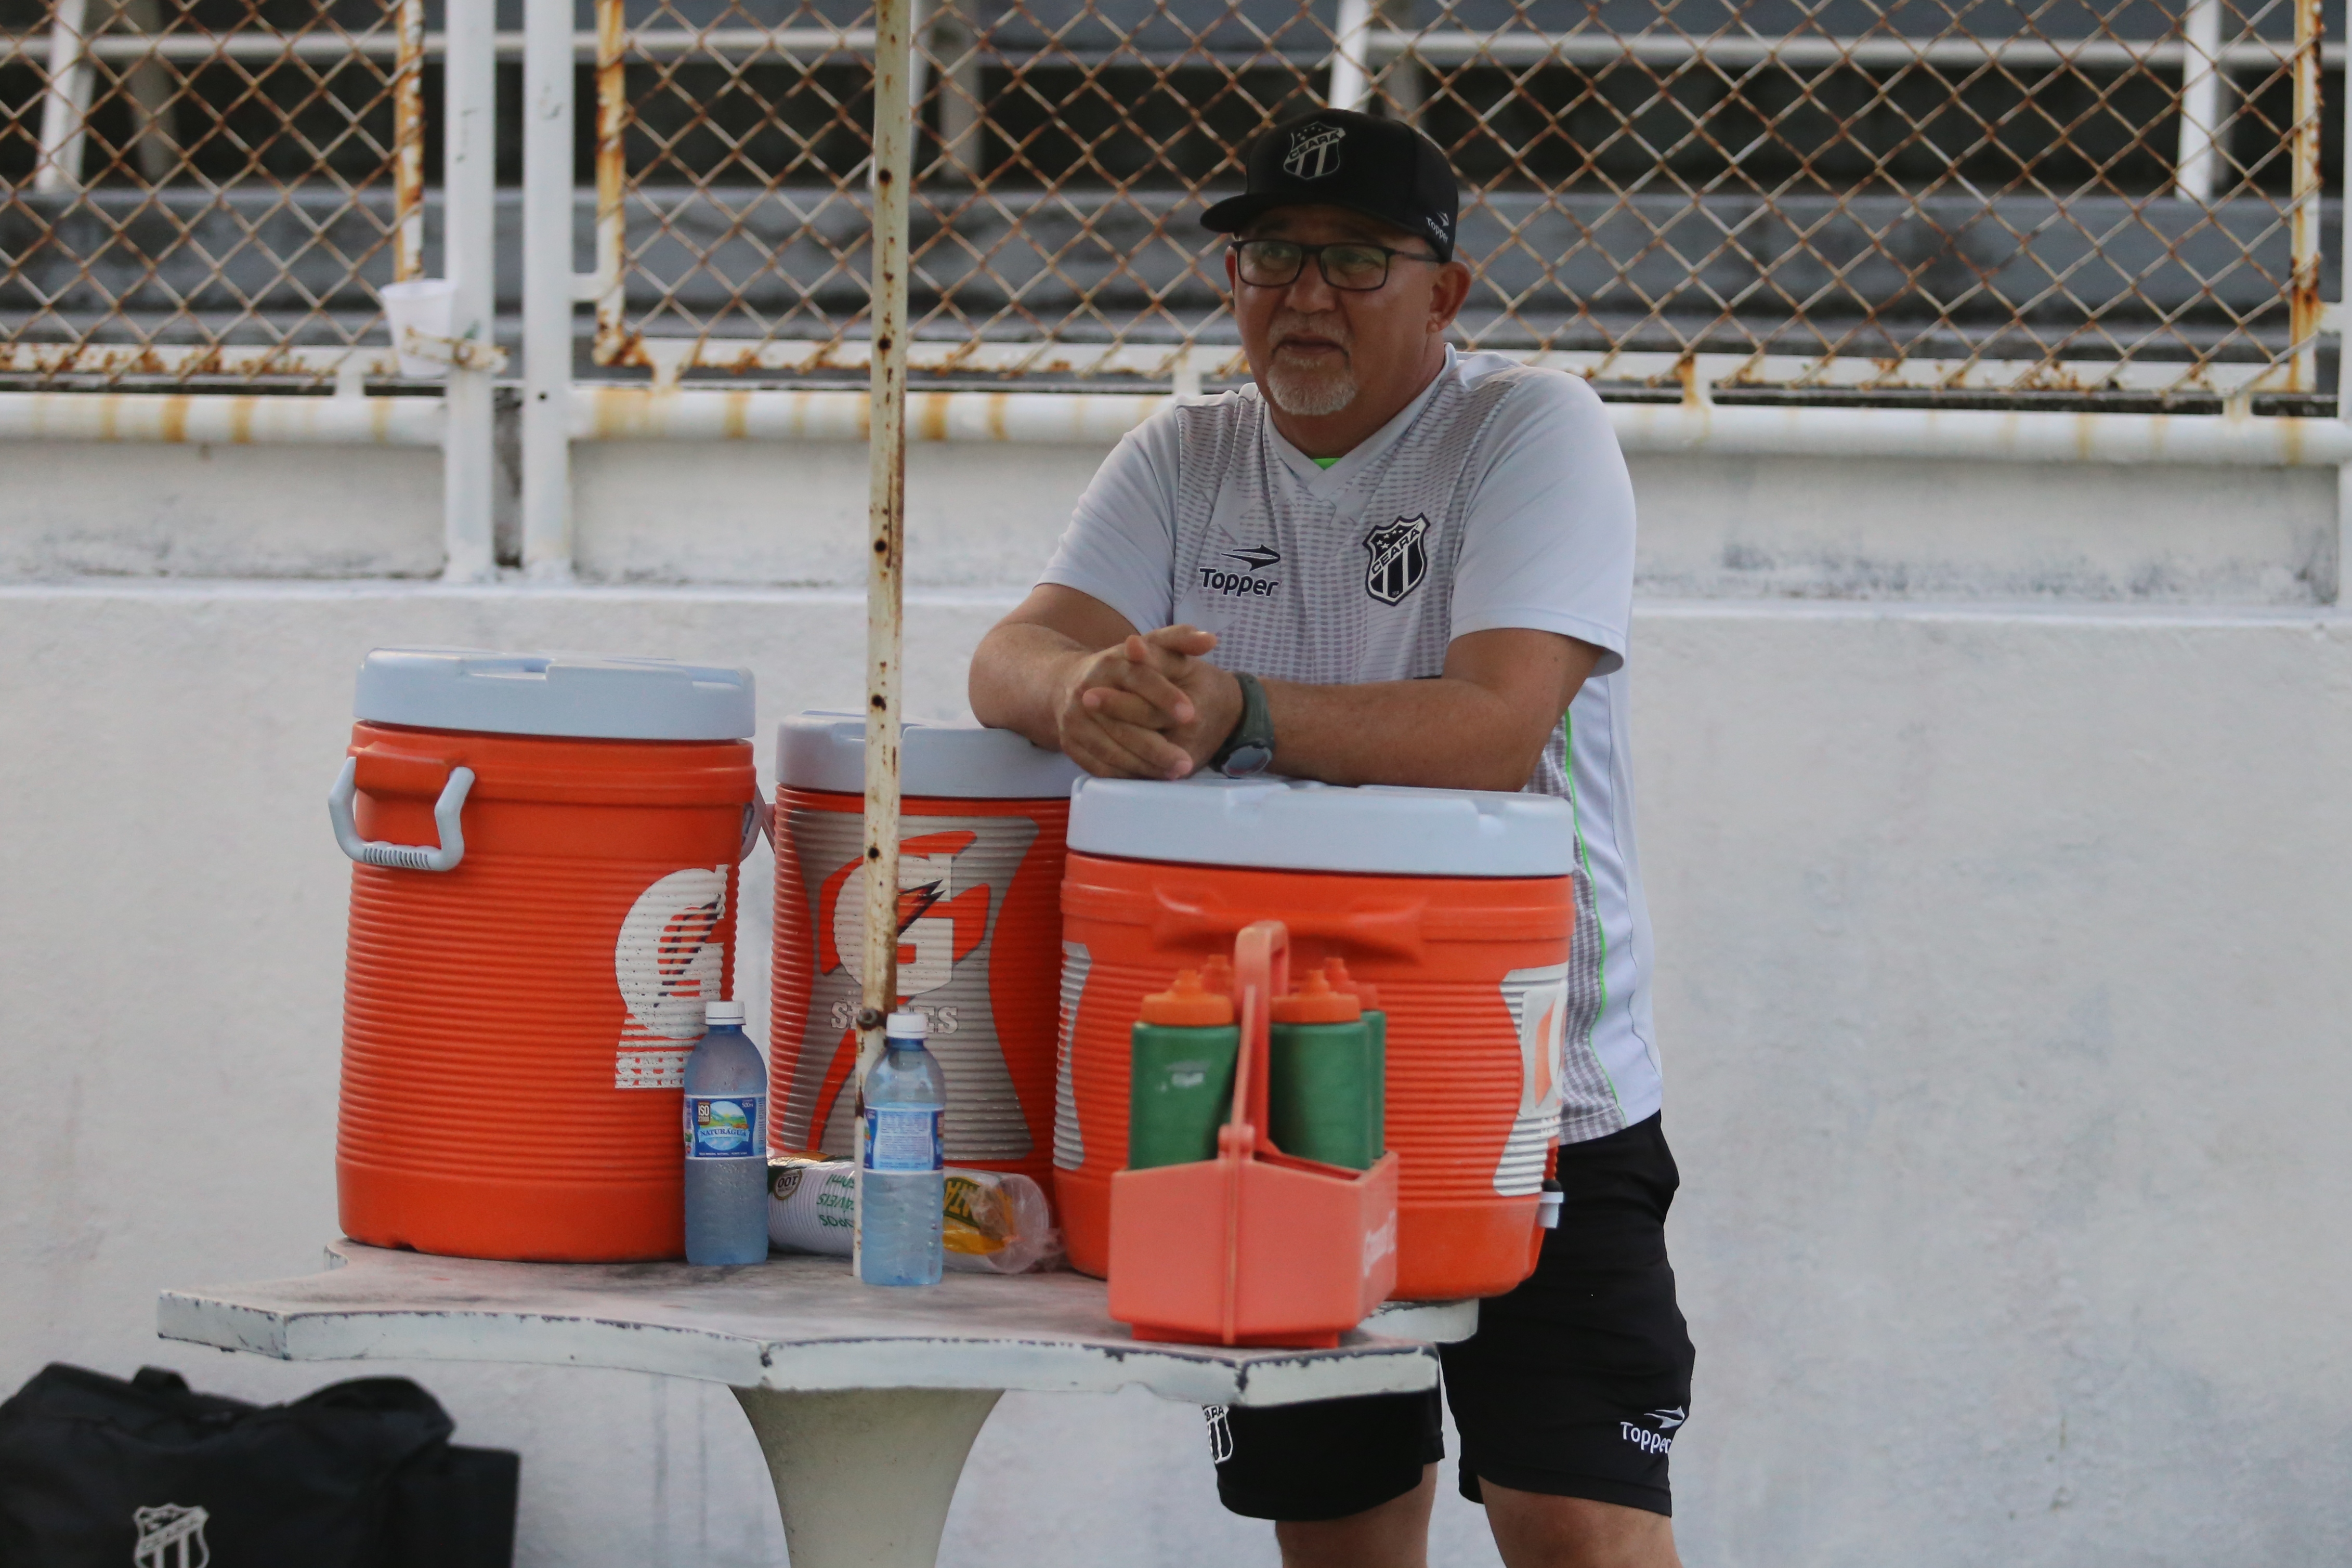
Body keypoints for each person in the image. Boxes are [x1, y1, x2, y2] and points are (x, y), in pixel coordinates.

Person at [968, 107, 1692, 1568]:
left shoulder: (1528, 428)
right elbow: (1012, 658)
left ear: (1444, 293)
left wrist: (1227, 711)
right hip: (1270, 1085)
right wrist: (1084, 691)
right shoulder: (1182, 452)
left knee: (1576, 1524)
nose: (1301, 296)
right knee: (1339, 1528)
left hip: (1527, 1089)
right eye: (1265, 258)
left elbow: (1491, 722)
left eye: (1355, 261)